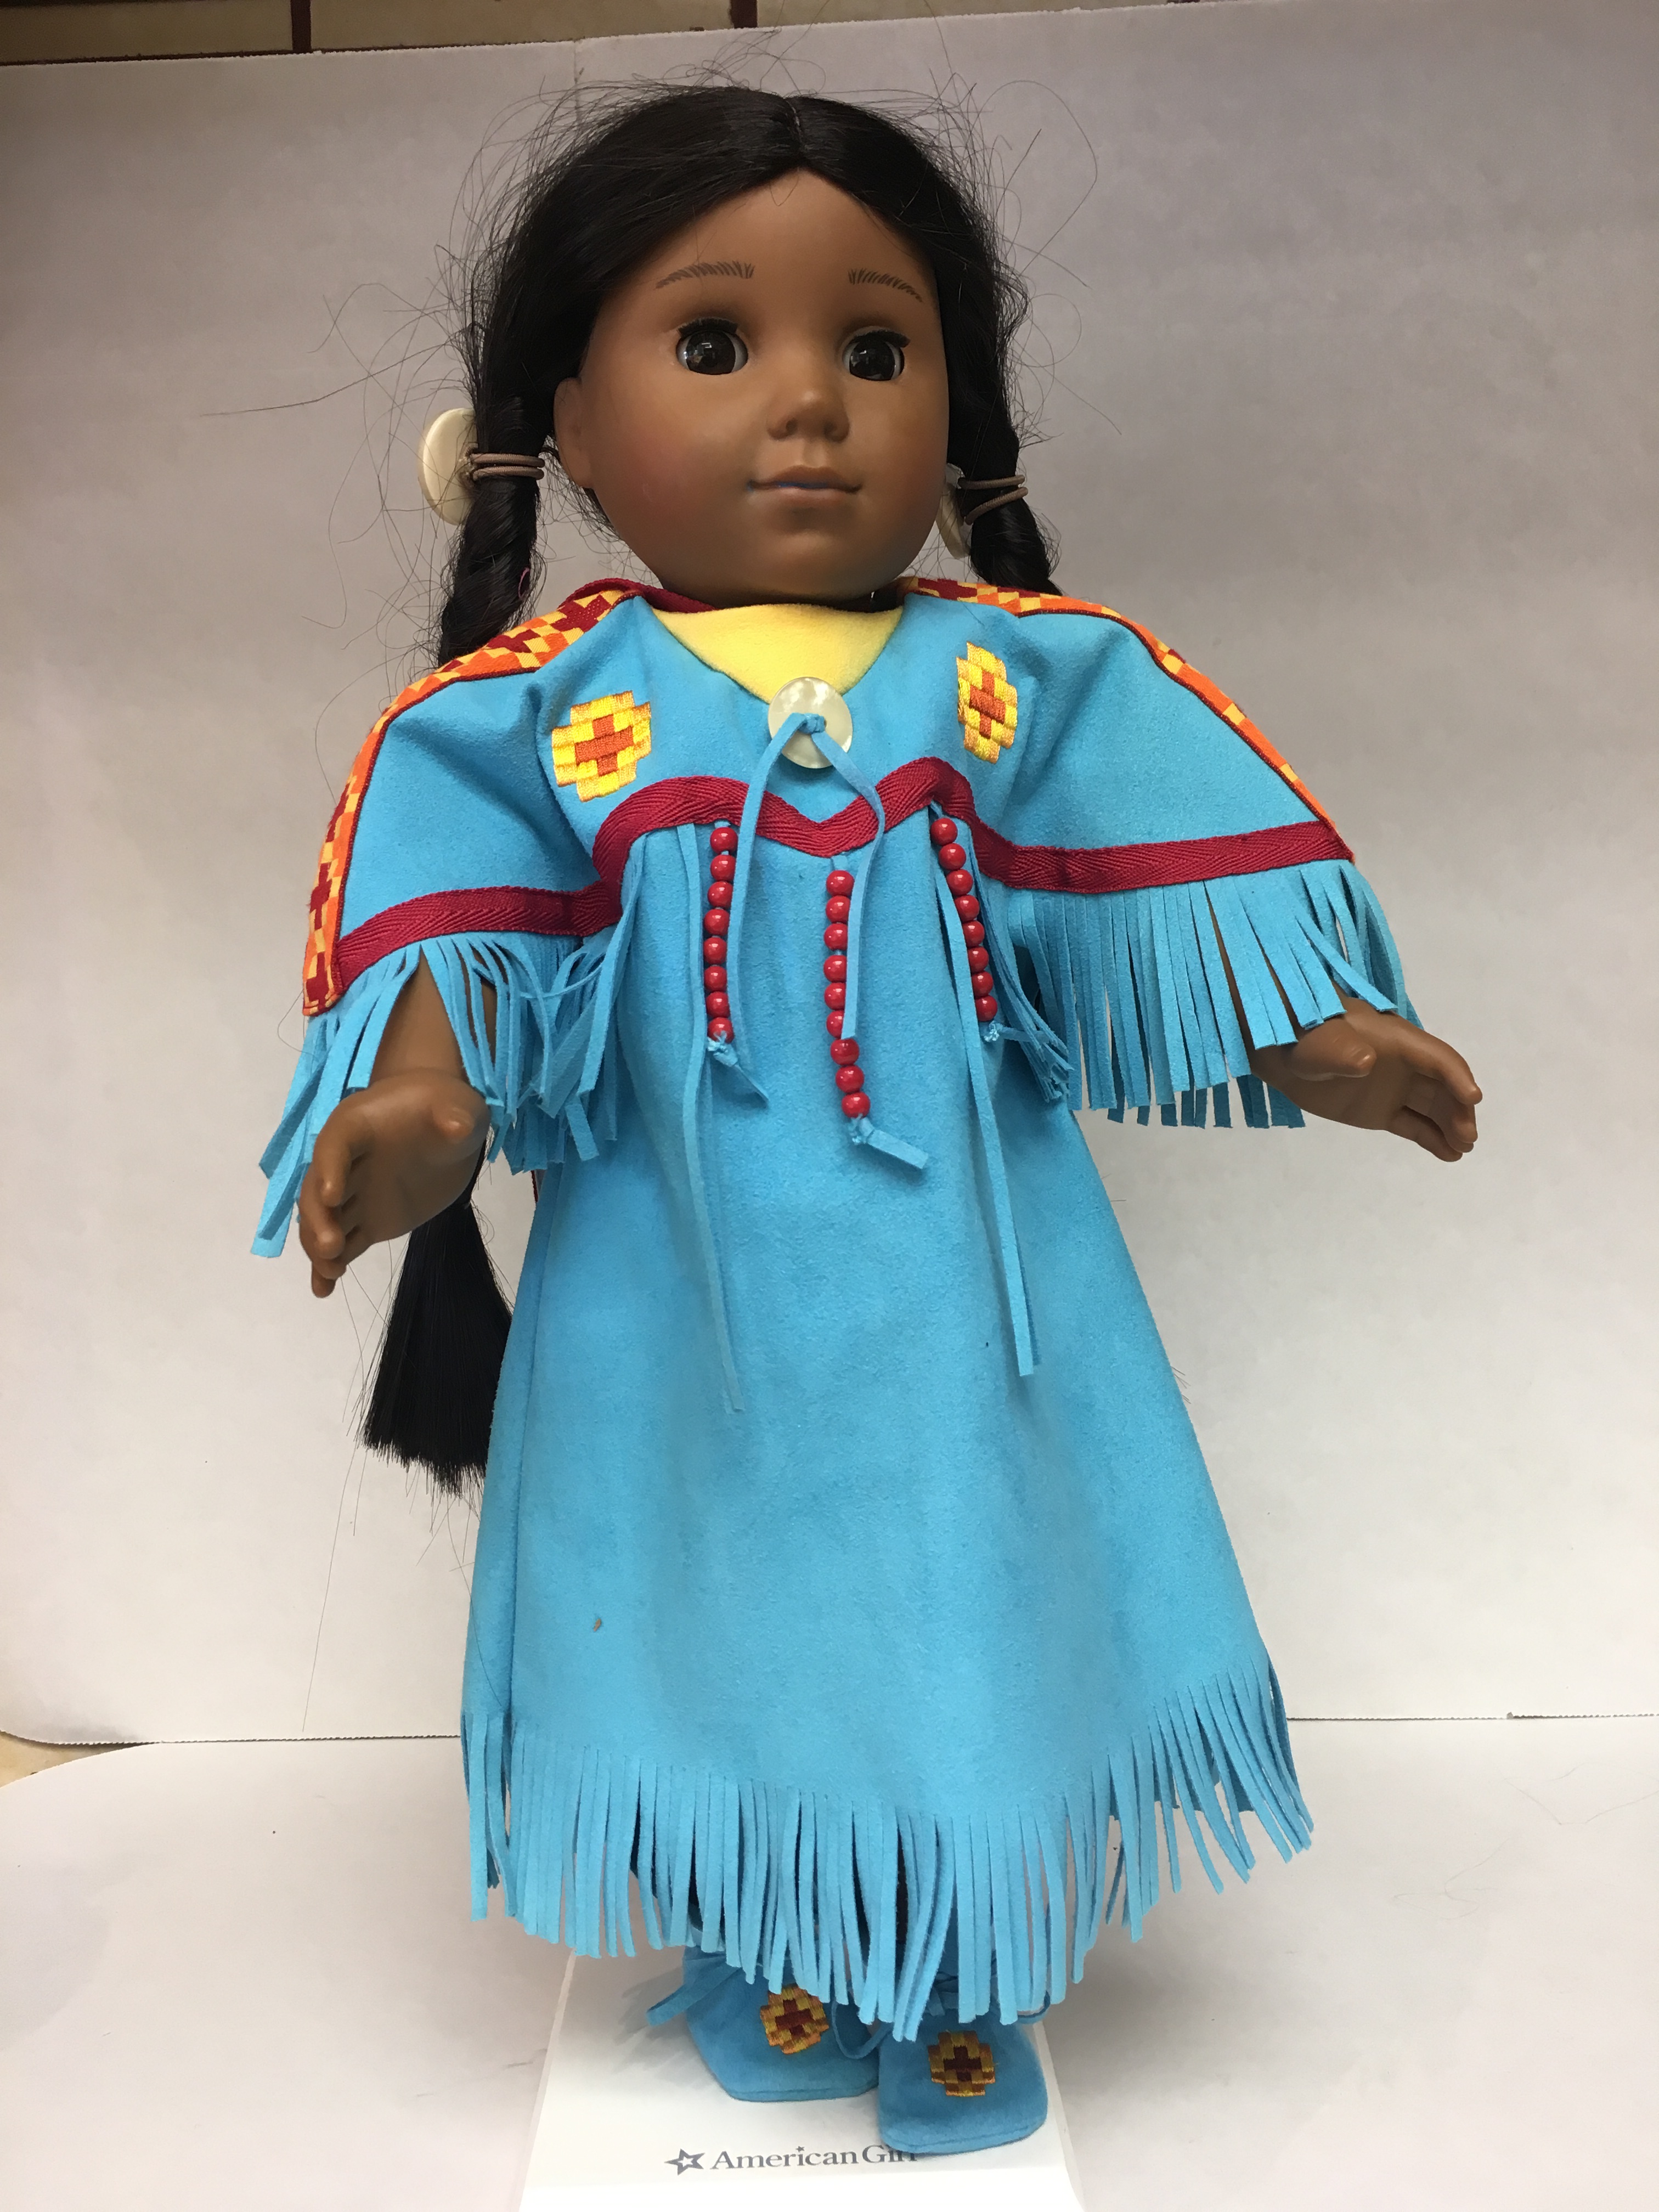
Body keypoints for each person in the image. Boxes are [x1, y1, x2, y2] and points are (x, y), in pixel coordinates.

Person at [255, 85, 1480, 2157]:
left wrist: (1321, 1038)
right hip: (675, 1295)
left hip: (965, 1304)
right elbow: (462, 962)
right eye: (715, 342)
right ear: (566, 419)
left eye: (878, 349)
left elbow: (1153, 883)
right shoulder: (539, 717)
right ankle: (777, 1942)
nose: (810, 405)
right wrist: (419, 1113)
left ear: (958, 410)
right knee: (708, 1597)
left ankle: (968, 1970)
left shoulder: (1011, 683)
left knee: (961, 1584)